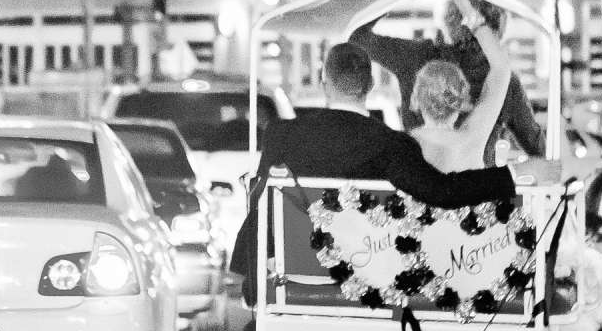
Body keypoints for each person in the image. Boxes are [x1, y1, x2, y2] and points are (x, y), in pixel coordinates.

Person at [229, 41, 545, 303]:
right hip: (367, 273)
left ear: (325, 83)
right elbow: (442, 191)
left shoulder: (281, 134)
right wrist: (513, 174)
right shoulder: (390, 143)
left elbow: (262, 203)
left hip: (294, 269)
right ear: (369, 86)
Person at [350, 0, 544, 157]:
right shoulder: (504, 81)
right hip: (476, 190)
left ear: (447, 20)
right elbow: (537, 147)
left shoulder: (415, 56)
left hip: (418, 182)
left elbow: (358, 37)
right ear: (497, 31)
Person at [409, 14, 514, 172]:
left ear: (416, 98)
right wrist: (466, 6)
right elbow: (502, 68)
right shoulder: (473, 139)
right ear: (460, 99)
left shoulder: (403, 145)